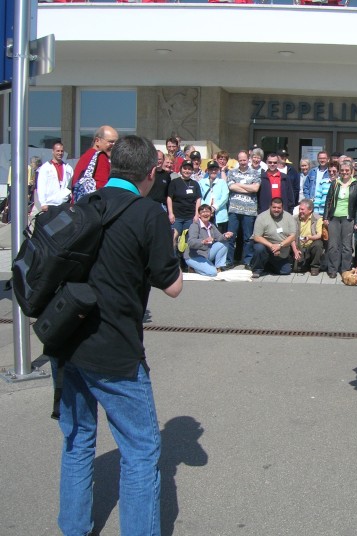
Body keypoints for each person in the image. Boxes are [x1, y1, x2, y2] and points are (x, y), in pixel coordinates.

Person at [50, 135, 182, 536]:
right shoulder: (148, 213)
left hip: (67, 340)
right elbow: (172, 285)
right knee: (141, 451)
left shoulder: (84, 203)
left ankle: (73, 529)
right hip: (115, 349)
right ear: (150, 173)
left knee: (77, 442)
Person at [324, 160, 357, 278]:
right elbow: (328, 201)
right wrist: (325, 217)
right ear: (339, 171)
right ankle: (333, 269)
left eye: (347, 170)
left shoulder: (356, 185)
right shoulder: (335, 184)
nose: (344, 172)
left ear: (351, 171)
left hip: (348, 219)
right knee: (333, 245)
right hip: (334, 218)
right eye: (342, 170)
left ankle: (345, 269)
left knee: (347, 246)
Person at [226, 150, 261, 268]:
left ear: (248, 160)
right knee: (231, 237)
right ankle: (229, 261)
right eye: (240, 160)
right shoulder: (231, 172)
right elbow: (231, 186)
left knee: (248, 238)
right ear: (237, 160)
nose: (242, 162)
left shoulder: (255, 173)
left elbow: (255, 189)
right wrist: (248, 187)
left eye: (244, 160)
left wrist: (238, 185)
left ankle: (247, 261)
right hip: (234, 210)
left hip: (249, 210)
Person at [250, 197, 297, 278]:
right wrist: (272, 246)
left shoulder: (289, 217)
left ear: (282, 208)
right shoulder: (261, 217)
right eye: (274, 207)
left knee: (286, 271)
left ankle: (268, 265)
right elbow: (257, 237)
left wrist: (279, 246)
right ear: (270, 207)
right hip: (266, 248)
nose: (276, 210)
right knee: (259, 248)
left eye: (279, 208)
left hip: (281, 250)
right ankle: (257, 269)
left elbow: (292, 236)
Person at [184, 204, 233, 276]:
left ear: (211, 214)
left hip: (206, 253)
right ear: (199, 215)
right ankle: (193, 268)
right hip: (194, 256)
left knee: (224, 244)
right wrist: (203, 241)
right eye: (203, 212)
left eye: (207, 212)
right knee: (212, 273)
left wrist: (225, 235)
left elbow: (219, 237)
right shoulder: (194, 225)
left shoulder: (211, 225)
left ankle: (218, 267)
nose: (205, 214)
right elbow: (190, 242)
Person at [72, 125, 118, 199]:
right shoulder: (101, 157)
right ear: (97, 141)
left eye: (116, 143)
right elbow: (104, 189)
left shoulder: (85, 156)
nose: (114, 145)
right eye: (111, 142)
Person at [167, 160, 201, 249]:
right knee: (173, 237)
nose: (187, 171)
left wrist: (197, 215)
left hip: (190, 217)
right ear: (181, 169)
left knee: (188, 239)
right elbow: (169, 198)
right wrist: (170, 213)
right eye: (185, 168)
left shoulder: (195, 184)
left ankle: (185, 260)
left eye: (189, 169)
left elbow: (198, 199)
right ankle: (174, 260)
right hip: (176, 216)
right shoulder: (174, 182)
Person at [35, 142, 73, 211]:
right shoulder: (45, 168)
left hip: (65, 203)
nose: (60, 153)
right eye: (58, 151)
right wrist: (43, 203)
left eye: (62, 151)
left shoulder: (68, 168)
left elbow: (72, 185)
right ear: (53, 151)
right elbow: (41, 186)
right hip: (50, 203)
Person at [292, 198, 324, 276]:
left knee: (318, 244)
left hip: (311, 245)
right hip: (299, 246)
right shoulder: (294, 219)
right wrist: (295, 250)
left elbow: (319, 235)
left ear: (310, 210)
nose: (300, 211)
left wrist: (309, 237)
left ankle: (315, 267)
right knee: (297, 270)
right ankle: (305, 263)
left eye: (302, 209)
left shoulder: (318, 219)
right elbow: (291, 237)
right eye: (299, 209)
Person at [198, 159, 230, 232]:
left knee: (220, 239)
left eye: (215, 169)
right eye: (211, 169)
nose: (213, 171)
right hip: (205, 213)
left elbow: (225, 197)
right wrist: (207, 208)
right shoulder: (201, 182)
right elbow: (199, 197)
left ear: (218, 170)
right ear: (208, 170)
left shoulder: (222, 182)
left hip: (220, 216)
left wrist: (214, 207)